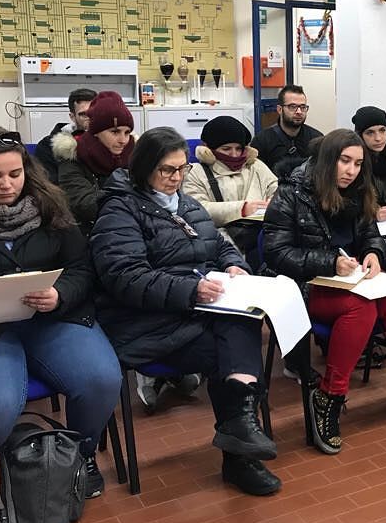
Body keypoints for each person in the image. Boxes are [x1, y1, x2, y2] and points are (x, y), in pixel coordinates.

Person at [0, 127, 121, 523]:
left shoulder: (48, 204)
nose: (7, 184)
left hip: (47, 318)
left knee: (100, 379)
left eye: (15, 173)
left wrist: (60, 294)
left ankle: (79, 456)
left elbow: (82, 268)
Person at [89, 127, 280, 497]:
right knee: (229, 351)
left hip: (194, 312)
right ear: (144, 168)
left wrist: (234, 265)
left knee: (242, 321)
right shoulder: (119, 210)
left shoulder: (187, 205)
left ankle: (240, 432)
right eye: (167, 170)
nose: (176, 178)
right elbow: (125, 277)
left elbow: (218, 245)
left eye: (182, 168)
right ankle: (240, 450)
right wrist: (191, 290)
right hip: (145, 322)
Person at [261, 129, 386, 455]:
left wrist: (374, 254)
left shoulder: (359, 190)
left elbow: (370, 235)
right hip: (303, 287)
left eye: (358, 163)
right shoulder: (291, 193)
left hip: (350, 279)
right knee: (361, 307)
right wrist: (328, 263)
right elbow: (275, 253)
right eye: (344, 161)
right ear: (328, 160)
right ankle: (330, 395)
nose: (351, 170)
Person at [182, 115, 277, 265]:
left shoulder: (256, 166)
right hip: (219, 238)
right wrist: (242, 208)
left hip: (263, 233)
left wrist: (275, 202)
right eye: (226, 149)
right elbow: (195, 210)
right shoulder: (195, 172)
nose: (234, 154)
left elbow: (277, 190)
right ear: (209, 150)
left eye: (239, 148)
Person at [52, 90, 135, 235]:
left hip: (135, 228)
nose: (123, 140)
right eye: (115, 132)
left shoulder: (135, 154)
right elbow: (86, 205)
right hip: (91, 233)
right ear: (96, 131)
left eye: (127, 132)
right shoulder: (73, 157)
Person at [250, 84, 322, 180]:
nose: (299, 111)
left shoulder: (317, 139)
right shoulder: (262, 141)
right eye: (292, 106)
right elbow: (256, 179)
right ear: (279, 109)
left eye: (303, 107)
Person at [352, 106, 386, 222]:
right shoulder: (354, 163)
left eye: (382, 130)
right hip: (363, 222)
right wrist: (373, 213)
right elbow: (350, 202)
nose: (378, 138)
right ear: (360, 135)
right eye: (370, 132)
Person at [34, 88, 95, 183]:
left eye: (94, 113)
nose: (91, 118)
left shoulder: (109, 141)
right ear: (72, 117)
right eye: (84, 115)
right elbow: (49, 185)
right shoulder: (47, 147)